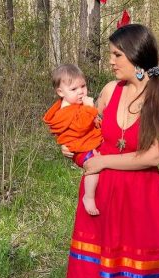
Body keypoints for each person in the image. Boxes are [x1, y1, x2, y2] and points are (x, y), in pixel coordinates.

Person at [62, 24, 159, 278]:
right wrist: (71, 147)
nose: (111, 61)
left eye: (117, 55)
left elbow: (156, 154)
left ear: (136, 55)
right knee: (92, 276)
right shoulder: (109, 91)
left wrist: (104, 163)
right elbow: (87, 130)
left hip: (140, 197)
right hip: (101, 194)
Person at [43, 64, 103, 215]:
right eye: (74, 89)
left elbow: (90, 122)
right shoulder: (65, 110)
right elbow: (80, 126)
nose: (81, 92)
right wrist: (89, 108)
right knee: (94, 166)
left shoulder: (75, 105)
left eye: (83, 86)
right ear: (60, 92)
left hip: (85, 144)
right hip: (81, 150)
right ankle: (88, 196)